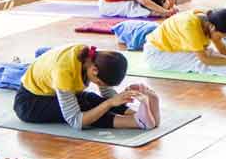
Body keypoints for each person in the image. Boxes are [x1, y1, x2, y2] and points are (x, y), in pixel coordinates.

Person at [14, 44, 160, 130]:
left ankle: (140, 115)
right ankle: (135, 122)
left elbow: (106, 91)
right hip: (30, 104)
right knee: (86, 109)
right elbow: (76, 121)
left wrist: (125, 97)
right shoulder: (64, 72)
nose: (102, 86)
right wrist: (110, 102)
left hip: (51, 93)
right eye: (102, 83)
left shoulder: (94, 59)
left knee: (91, 98)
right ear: (94, 71)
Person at [142, 8, 226, 76]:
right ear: (212, 27)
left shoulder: (210, 20)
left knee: (211, 52)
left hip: (173, 50)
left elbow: (223, 50)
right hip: (157, 55)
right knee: (198, 61)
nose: (220, 39)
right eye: (221, 36)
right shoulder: (190, 26)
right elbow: (204, 59)